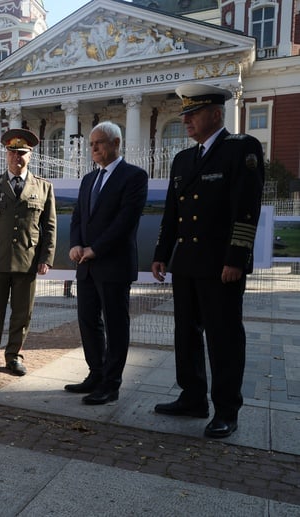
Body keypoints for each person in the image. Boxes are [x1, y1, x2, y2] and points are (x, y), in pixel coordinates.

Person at [151, 83, 264, 439]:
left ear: (216, 114)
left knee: (224, 337)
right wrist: (161, 254)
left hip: (220, 265)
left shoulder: (241, 149)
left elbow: (246, 210)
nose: (186, 120)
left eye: (194, 113)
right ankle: (192, 396)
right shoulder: (184, 159)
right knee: (185, 334)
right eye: (184, 114)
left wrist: (236, 258)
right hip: (186, 263)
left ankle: (227, 408)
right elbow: (173, 213)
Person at [65, 122, 148, 404]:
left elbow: (125, 222)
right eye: (91, 144)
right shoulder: (89, 179)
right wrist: (76, 244)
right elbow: (78, 217)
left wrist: (95, 249)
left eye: (99, 142)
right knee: (88, 321)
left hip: (113, 265)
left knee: (115, 325)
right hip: (86, 266)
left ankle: (111, 384)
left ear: (116, 143)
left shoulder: (134, 177)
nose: (94, 148)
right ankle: (95, 373)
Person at [0, 128, 56, 376]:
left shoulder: (43, 187)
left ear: (30, 156)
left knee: (21, 314)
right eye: (12, 152)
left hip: (27, 261)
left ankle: (14, 356)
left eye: (22, 153)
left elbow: (49, 226)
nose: (17, 158)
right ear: (6, 154)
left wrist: (46, 258)